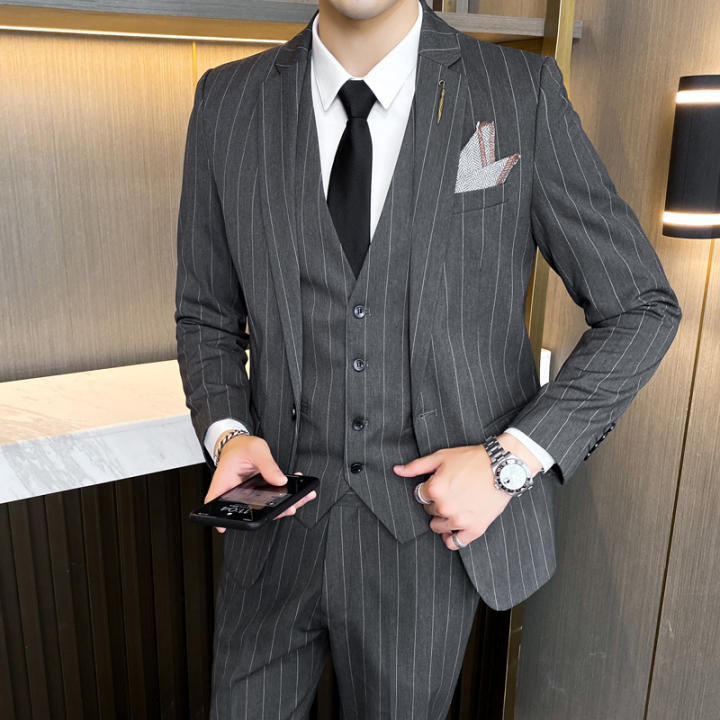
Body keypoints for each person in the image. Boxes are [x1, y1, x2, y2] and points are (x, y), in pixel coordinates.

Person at [175, 0, 681, 716]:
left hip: (426, 545)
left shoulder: (520, 92)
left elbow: (641, 308)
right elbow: (205, 314)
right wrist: (227, 433)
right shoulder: (227, 100)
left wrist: (510, 461)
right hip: (274, 536)